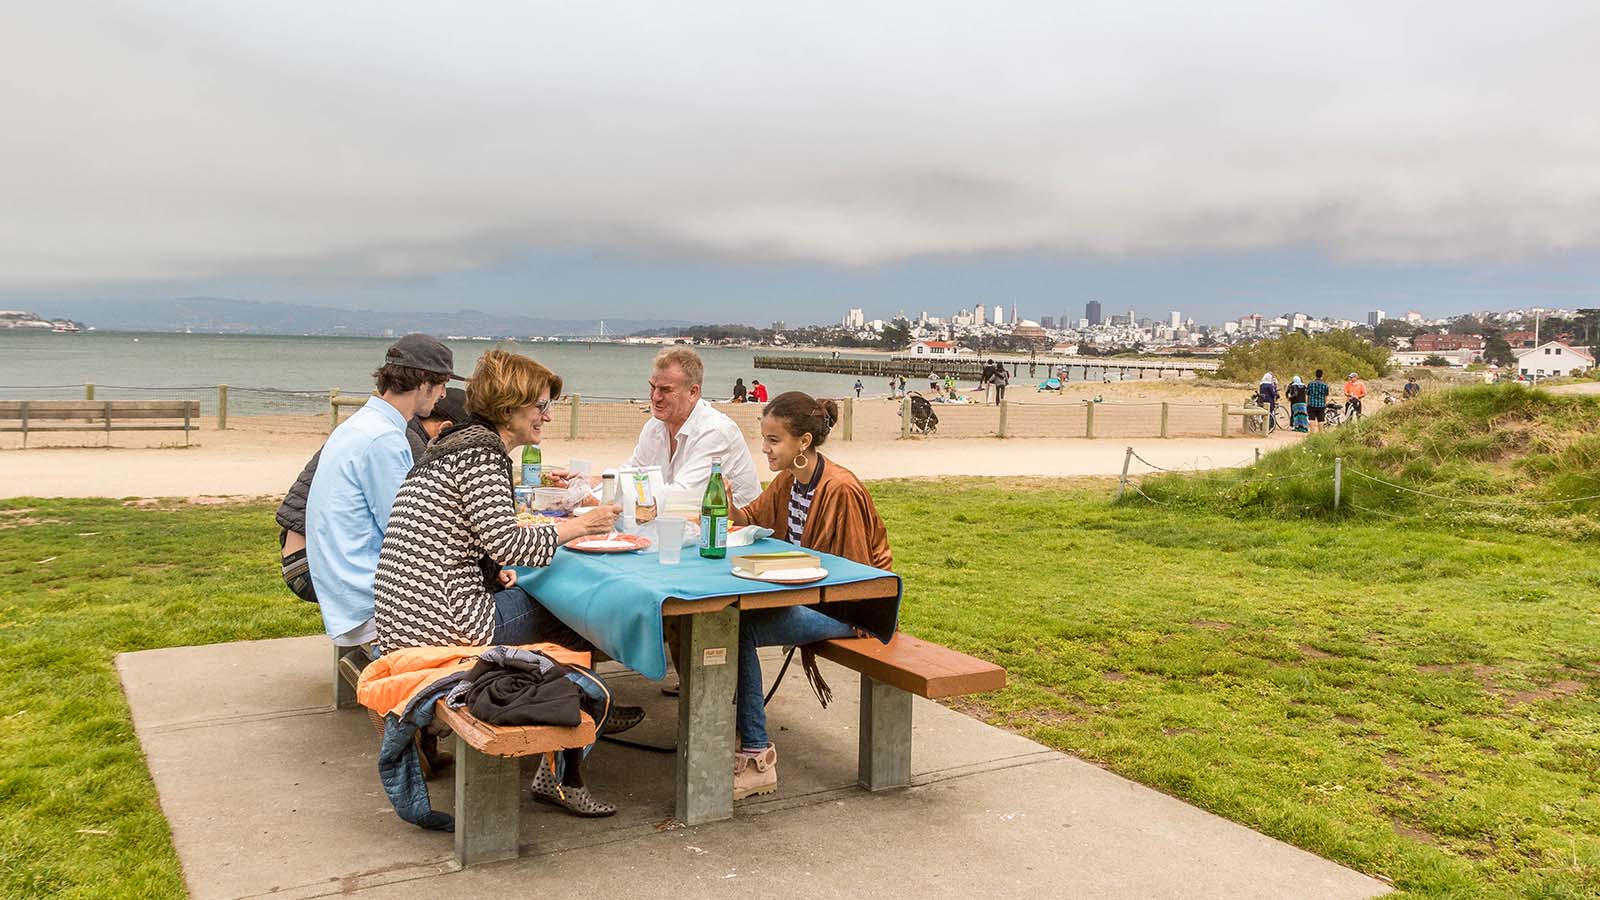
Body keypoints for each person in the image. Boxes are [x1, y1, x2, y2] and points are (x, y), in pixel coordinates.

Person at [374, 349, 630, 816]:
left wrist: (493, 573)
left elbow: (465, 538)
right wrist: (580, 526)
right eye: (540, 406)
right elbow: (507, 542)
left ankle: (580, 719)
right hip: (444, 624)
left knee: (555, 609)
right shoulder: (480, 453)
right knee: (581, 617)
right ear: (509, 407)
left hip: (405, 618)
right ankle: (564, 761)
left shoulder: (454, 446)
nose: (547, 416)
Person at [727, 392, 894, 800]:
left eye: (773, 440)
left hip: (855, 611)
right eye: (763, 438)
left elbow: (857, 579)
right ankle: (735, 736)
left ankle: (756, 757)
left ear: (803, 442)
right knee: (729, 618)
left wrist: (789, 585)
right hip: (813, 598)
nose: (764, 449)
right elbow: (750, 518)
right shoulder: (791, 479)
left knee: (741, 626)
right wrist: (724, 501)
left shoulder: (840, 489)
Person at [305, 334, 455, 650]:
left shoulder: (361, 424)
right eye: (442, 384)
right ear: (424, 381)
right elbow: (407, 535)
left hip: (344, 590)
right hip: (367, 605)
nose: (443, 395)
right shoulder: (383, 439)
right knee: (522, 611)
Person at [624, 346, 760, 506]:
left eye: (665, 390)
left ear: (692, 392)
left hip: (733, 528)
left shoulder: (715, 431)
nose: (655, 397)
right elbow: (632, 473)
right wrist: (599, 486)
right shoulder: (655, 426)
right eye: (653, 387)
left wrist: (622, 492)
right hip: (686, 523)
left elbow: (681, 498)